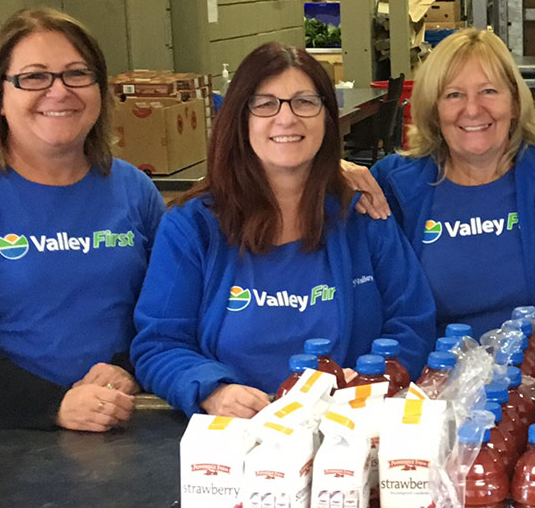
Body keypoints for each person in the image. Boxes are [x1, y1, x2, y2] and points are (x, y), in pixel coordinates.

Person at [132, 42, 438, 417]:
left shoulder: (362, 212)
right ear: (239, 120)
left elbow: (413, 321)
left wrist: (373, 379)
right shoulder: (192, 226)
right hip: (233, 441)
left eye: (305, 102)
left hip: (347, 435)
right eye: (265, 103)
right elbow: (159, 344)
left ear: (327, 116)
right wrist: (211, 389)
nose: (287, 118)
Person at [0, 8, 160, 432]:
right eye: (34, 76)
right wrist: (53, 405)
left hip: (112, 418)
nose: (59, 91)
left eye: (77, 74)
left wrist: (127, 368)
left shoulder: (135, 190)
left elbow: (164, 311)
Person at [369, 29, 535, 337]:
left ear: (515, 103)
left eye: (489, 91)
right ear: (434, 110)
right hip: (434, 377)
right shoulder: (392, 187)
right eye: (454, 95)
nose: (473, 109)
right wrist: (338, 170)